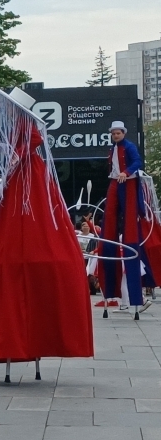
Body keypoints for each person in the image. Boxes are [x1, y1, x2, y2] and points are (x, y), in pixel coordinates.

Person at [0, 85, 93, 364]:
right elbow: (23, 146)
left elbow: (33, 141)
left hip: (28, 181)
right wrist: (5, 149)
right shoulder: (20, 127)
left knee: (28, 230)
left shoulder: (28, 128)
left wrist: (13, 155)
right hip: (23, 180)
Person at [98, 120, 148, 310]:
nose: (115, 136)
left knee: (129, 227)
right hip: (115, 182)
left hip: (127, 183)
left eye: (118, 133)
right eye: (113, 133)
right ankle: (111, 291)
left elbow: (138, 162)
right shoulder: (113, 148)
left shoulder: (129, 147)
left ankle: (135, 298)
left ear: (123, 133)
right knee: (109, 220)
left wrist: (126, 173)